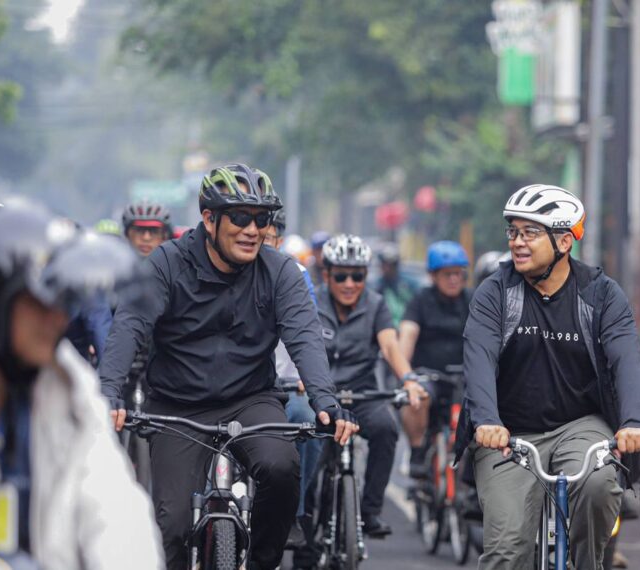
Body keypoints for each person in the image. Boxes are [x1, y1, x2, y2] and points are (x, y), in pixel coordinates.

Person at [99, 164, 359, 570]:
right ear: (209, 219)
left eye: (261, 219)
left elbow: (305, 337)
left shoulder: (280, 272)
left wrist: (325, 400)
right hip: (178, 406)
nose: (252, 230)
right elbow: (130, 324)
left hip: (251, 400)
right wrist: (109, 392)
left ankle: (261, 563)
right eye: (239, 217)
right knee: (171, 528)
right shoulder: (167, 263)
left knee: (282, 467)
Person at [458, 184, 640, 569]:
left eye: (530, 232)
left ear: (564, 241)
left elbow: (627, 358)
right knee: (507, 549)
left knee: (598, 486)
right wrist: (487, 422)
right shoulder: (496, 292)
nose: (517, 242)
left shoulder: (601, 294)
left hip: (580, 426)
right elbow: (478, 358)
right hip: (507, 434)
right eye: (513, 231)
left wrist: (633, 421)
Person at [0, 204, 164, 568]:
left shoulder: (70, 388)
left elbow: (114, 505)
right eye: (38, 304)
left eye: (61, 303)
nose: (58, 319)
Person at [315, 234, 427, 538]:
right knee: (307, 449)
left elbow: (390, 346)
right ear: (327, 275)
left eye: (358, 276)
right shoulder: (311, 301)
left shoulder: (376, 304)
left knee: (386, 428)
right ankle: (305, 521)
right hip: (320, 394)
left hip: (362, 391)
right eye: (341, 276)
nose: (350, 284)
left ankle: (370, 511)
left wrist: (408, 379)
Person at [264, 207, 320, 546]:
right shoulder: (222, 266)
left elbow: (307, 330)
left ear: (278, 239)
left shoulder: (295, 274)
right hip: (235, 385)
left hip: (286, 382)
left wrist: (306, 376)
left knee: (306, 419)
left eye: (267, 234)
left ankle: (294, 512)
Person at [398, 240, 470, 477]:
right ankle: (417, 450)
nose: (454, 279)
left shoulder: (473, 300)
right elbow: (408, 334)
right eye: (448, 274)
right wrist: (405, 375)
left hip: (465, 377)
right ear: (433, 275)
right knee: (417, 398)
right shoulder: (421, 301)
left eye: (459, 274)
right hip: (429, 375)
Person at [373, 241, 420, 325]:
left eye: (391, 265)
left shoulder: (409, 285)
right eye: (385, 264)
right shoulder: (376, 286)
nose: (387, 268)